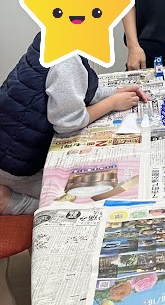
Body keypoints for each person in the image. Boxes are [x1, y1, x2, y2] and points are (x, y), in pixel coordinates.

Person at [0, 33, 147, 215]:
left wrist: (114, 92)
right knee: (82, 199)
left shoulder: (55, 37)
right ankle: (10, 201)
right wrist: (112, 103)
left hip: (14, 143)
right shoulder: (67, 60)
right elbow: (67, 122)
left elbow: (79, 88)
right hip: (13, 164)